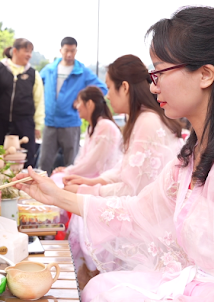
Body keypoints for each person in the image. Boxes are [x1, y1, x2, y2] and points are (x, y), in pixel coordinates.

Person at [13, 6, 214, 302]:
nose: (153, 86)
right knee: (99, 292)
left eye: (159, 72)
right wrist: (58, 196)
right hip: (204, 289)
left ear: (206, 74)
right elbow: (139, 211)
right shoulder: (194, 154)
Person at [63, 55, 183, 199]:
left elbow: (132, 189)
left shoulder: (146, 121)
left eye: (109, 88)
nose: (107, 96)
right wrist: (92, 182)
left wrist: (85, 190)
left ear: (124, 87)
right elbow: (126, 169)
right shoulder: (142, 118)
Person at [50, 86, 122, 287]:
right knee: (58, 177)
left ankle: (83, 265)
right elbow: (85, 160)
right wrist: (69, 170)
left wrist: (71, 173)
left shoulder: (106, 126)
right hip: (90, 177)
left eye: (79, 102)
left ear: (90, 104)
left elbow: (93, 164)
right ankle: (56, 231)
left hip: (99, 181)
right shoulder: (94, 126)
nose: (76, 106)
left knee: (59, 181)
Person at [38, 37, 108, 175]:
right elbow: (36, 88)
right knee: (44, 163)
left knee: (73, 163)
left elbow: (102, 88)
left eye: (72, 51)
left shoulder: (82, 71)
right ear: (60, 50)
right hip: (50, 123)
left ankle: (69, 193)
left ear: (76, 51)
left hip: (70, 123)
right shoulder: (49, 69)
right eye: (66, 51)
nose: (69, 54)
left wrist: (79, 99)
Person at [0, 38, 45, 167]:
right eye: (26, 51)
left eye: (31, 52)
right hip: (0, 121)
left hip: (25, 123)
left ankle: (24, 184)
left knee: (26, 158)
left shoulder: (33, 74)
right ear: (15, 51)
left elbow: (39, 101)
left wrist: (38, 125)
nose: (29, 55)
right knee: (0, 157)